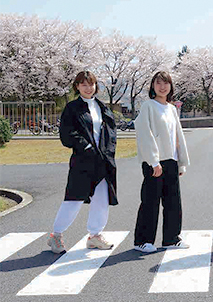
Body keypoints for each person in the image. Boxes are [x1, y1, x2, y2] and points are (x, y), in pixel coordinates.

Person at [47, 71, 118, 254]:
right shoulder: (72, 108)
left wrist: (108, 153)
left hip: (102, 162)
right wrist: (85, 147)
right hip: (82, 162)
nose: (88, 88)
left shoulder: (102, 107)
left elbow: (111, 133)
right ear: (77, 86)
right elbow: (66, 134)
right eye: (84, 84)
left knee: (101, 199)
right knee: (74, 199)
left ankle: (94, 236)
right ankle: (56, 235)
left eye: (91, 84)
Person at [133, 71, 190, 253]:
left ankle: (171, 239)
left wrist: (181, 162)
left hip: (171, 160)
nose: (162, 86)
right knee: (150, 201)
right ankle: (142, 240)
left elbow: (177, 136)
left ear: (171, 87)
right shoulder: (148, 106)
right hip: (155, 162)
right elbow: (144, 134)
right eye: (158, 83)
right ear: (152, 86)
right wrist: (153, 161)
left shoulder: (172, 108)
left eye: (166, 83)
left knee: (173, 201)